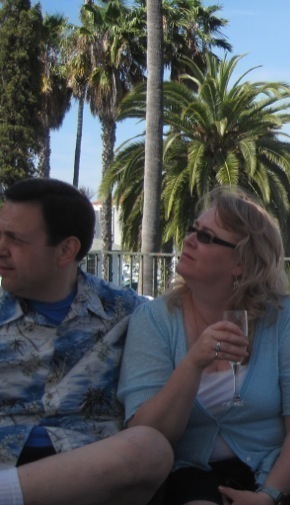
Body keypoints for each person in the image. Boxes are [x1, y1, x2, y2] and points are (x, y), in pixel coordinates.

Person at [117, 186, 290, 505]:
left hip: (286, 468)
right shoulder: (154, 320)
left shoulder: (284, 318)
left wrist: (269, 496)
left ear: (241, 264)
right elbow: (144, 432)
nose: (188, 239)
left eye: (206, 237)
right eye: (193, 230)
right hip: (196, 470)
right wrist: (193, 364)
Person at [0, 178, 172, 505]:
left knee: (151, 447)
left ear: (66, 250)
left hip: (92, 475)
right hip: (6, 458)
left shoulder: (131, 314)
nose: (0, 248)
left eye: (15, 239)